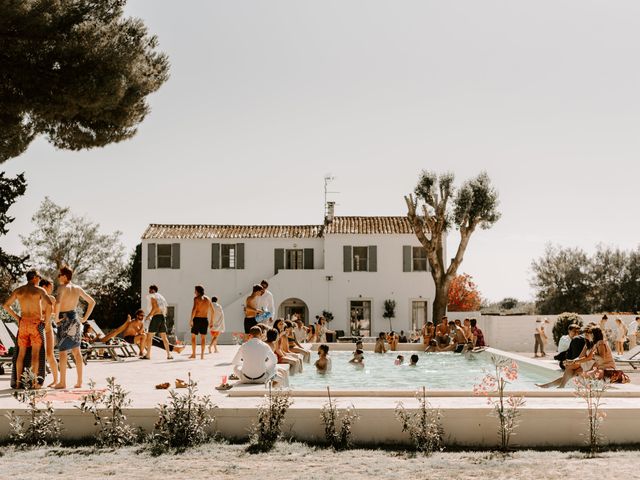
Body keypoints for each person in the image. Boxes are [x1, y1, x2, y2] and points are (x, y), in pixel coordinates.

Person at [2, 270, 53, 389]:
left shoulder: (19, 290)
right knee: (35, 355)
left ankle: (19, 382)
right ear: (35, 278)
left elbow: (5, 305)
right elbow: (50, 304)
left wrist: (17, 318)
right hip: (35, 323)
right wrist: (46, 321)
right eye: (39, 277)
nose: (40, 279)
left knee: (21, 354)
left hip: (23, 324)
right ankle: (35, 383)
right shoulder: (39, 290)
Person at [54, 265, 95, 389]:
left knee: (62, 352)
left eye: (60, 275)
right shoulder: (77, 288)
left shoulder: (62, 288)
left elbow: (58, 303)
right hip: (75, 318)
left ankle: (62, 382)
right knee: (77, 352)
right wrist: (85, 318)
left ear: (65, 276)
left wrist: (56, 318)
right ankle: (79, 382)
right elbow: (92, 302)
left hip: (64, 319)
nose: (58, 277)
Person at [38, 278, 58, 387]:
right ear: (44, 287)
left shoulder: (51, 299)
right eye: (51, 287)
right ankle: (36, 380)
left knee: (50, 354)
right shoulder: (36, 298)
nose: (52, 289)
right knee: (37, 355)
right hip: (38, 329)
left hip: (48, 328)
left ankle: (55, 380)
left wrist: (46, 316)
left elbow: (53, 314)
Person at [144, 285, 172, 360]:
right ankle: (169, 355)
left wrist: (149, 316)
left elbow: (155, 308)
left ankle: (148, 355)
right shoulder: (161, 297)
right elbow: (164, 308)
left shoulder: (153, 296)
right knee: (164, 337)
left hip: (156, 317)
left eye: (149, 290)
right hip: (162, 317)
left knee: (149, 337)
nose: (149, 292)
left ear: (152, 290)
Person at [189, 285, 214, 360]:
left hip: (197, 319)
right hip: (204, 319)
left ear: (198, 291)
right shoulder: (208, 299)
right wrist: (211, 321)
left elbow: (194, 309)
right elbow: (212, 311)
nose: (194, 292)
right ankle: (202, 355)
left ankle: (194, 354)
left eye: (195, 291)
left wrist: (191, 320)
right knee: (203, 338)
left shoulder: (196, 299)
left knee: (193, 337)